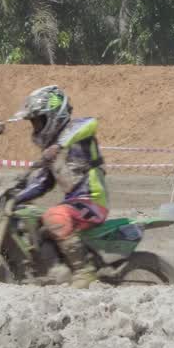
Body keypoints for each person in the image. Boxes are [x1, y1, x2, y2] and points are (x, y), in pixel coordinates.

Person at [12, 85, 108, 289]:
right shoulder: (52, 150)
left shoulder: (78, 130)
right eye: (33, 122)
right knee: (32, 220)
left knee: (54, 216)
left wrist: (60, 145)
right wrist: (13, 197)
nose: (36, 127)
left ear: (54, 115)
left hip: (92, 201)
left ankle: (84, 271)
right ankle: (55, 272)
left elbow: (91, 122)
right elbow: (42, 183)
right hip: (73, 204)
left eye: (39, 120)